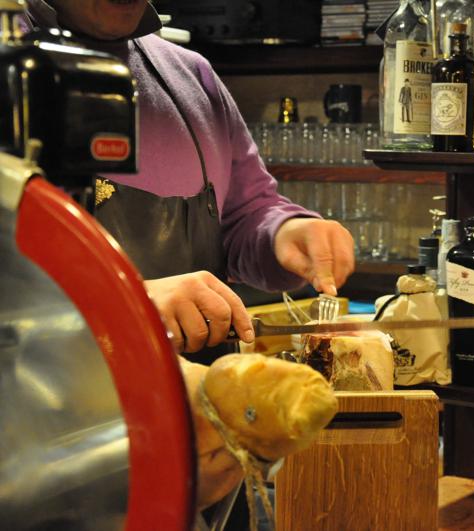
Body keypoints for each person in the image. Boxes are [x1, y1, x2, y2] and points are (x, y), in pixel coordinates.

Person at [21, 0, 355, 355]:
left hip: (195, 400)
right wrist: (127, 302)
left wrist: (284, 233)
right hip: (52, 398)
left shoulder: (191, 74)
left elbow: (246, 212)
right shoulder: (13, 71)